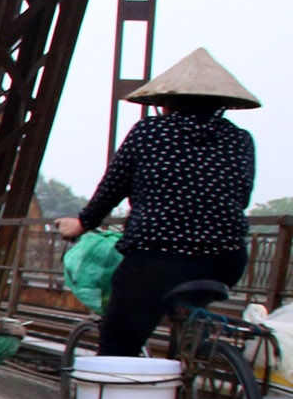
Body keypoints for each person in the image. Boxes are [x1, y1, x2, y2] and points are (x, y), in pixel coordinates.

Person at [56, 48, 258, 357]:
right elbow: (240, 197)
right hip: (225, 260)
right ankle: (188, 366)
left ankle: (120, 391)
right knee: (188, 306)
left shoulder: (150, 132)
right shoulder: (240, 139)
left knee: (117, 345)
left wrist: (83, 222)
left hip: (158, 258)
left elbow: (113, 187)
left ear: (168, 101)